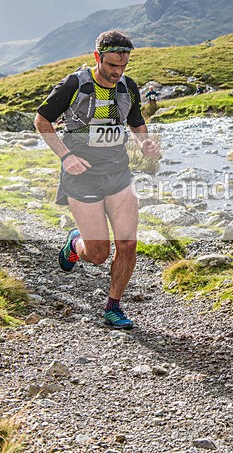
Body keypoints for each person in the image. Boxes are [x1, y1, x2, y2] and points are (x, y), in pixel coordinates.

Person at [34, 30, 160, 329]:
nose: (118, 73)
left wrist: (144, 143)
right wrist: (66, 157)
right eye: (112, 66)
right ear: (97, 58)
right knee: (99, 254)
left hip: (118, 172)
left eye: (123, 67)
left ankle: (113, 306)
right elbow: (42, 120)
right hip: (82, 176)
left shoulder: (128, 86)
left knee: (128, 244)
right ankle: (75, 243)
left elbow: (136, 121)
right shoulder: (74, 84)